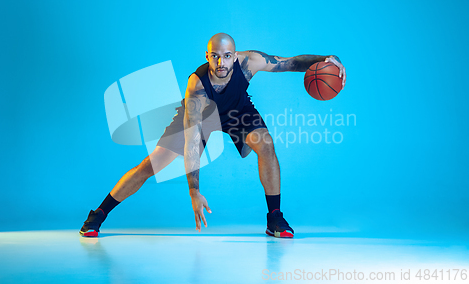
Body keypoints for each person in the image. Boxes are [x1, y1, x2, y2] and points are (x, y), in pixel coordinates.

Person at [80, 33, 346, 238]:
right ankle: (99, 214)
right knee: (153, 164)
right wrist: (194, 191)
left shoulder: (249, 61)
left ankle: (275, 217)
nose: (221, 62)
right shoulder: (196, 85)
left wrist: (327, 60)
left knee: (266, 145)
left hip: (237, 111)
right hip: (201, 116)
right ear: (207, 56)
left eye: (227, 56)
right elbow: (193, 142)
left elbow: (290, 63)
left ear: (235, 55)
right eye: (215, 56)